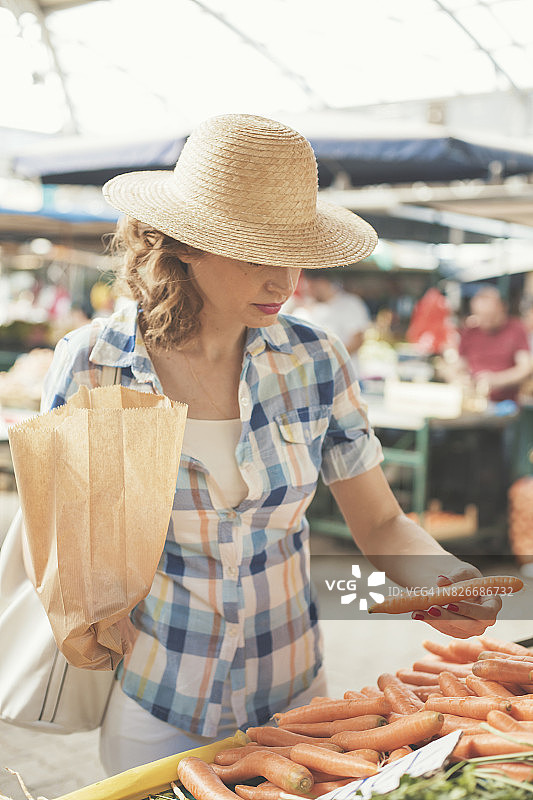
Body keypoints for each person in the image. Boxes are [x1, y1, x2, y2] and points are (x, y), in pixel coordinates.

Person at [40, 114, 501, 774]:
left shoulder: (315, 360)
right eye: (256, 252)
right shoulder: (95, 365)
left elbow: (380, 522)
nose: (283, 280)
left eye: (294, 252)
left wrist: (446, 586)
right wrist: (93, 616)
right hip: (159, 697)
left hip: (297, 701)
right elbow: (65, 538)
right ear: (186, 245)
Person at [453, 286, 532, 403]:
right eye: (482, 316)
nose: (486, 321)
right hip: (475, 399)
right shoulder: (470, 332)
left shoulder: (516, 329)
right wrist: (461, 379)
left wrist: (497, 379)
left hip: (506, 402)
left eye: (491, 316)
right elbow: (458, 366)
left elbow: (525, 368)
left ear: (502, 308)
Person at [289, 269, 371, 377]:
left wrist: (326, 360)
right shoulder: (304, 310)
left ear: (322, 282)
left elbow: (357, 340)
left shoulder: (350, 304)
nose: (308, 291)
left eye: (312, 286)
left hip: (345, 376)